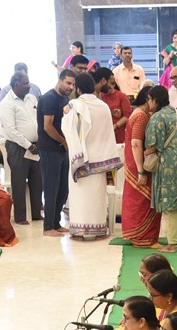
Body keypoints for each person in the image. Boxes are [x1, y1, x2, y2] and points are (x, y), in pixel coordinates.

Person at [62, 73, 121, 240]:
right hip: (100, 159)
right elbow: (108, 133)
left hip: (80, 159)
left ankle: (79, 233)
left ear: (78, 89)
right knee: (97, 197)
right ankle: (99, 231)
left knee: (79, 197)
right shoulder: (103, 106)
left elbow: (67, 129)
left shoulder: (74, 106)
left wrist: (66, 115)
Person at [143, 86, 177, 254]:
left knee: (171, 203)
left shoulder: (157, 117)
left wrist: (141, 153)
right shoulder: (173, 114)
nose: (148, 103)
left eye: (149, 99)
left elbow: (153, 144)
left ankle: (172, 244)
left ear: (155, 100)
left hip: (170, 162)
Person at [0, 72, 40, 227]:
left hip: (36, 145)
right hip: (17, 147)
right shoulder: (6, 104)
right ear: (16, 84)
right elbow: (11, 130)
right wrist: (28, 145)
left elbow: (38, 119)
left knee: (37, 180)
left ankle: (36, 213)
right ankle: (20, 216)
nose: (29, 85)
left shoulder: (31, 98)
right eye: (25, 83)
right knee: (19, 182)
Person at [120, 86, 162, 248]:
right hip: (138, 164)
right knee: (142, 201)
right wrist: (141, 171)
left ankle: (139, 236)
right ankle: (143, 237)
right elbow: (136, 144)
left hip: (134, 163)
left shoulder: (138, 113)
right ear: (148, 99)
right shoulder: (141, 116)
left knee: (137, 201)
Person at [39, 69, 75, 236]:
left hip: (62, 149)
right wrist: (63, 141)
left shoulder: (64, 99)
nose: (70, 87)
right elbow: (48, 126)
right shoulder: (49, 98)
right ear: (60, 81)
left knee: (63, 188)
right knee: (51, 188)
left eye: (73, 84)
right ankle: (48, 227)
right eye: (68, 83)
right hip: (50, 149)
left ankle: (56, 222)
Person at [93, 68, 131, 145]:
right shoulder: (93, 96)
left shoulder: (120, 95)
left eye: (113, 84)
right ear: (103, 81)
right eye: (110, 83)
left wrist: (111, 114)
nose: (111, 87)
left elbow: (127, 115)